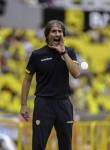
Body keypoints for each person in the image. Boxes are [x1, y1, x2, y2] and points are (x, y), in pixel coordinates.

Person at [20, 20, 80, 150]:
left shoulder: (70, 51)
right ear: (47, 35)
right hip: (43, 104)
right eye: (53, 31)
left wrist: (63, 53)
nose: (57, 34)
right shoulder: (37, 55)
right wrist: (24, 105)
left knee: (66, 145)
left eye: (60, 31)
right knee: (38, 145)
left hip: (63, 104)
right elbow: (27, 80)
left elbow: (76, 73)